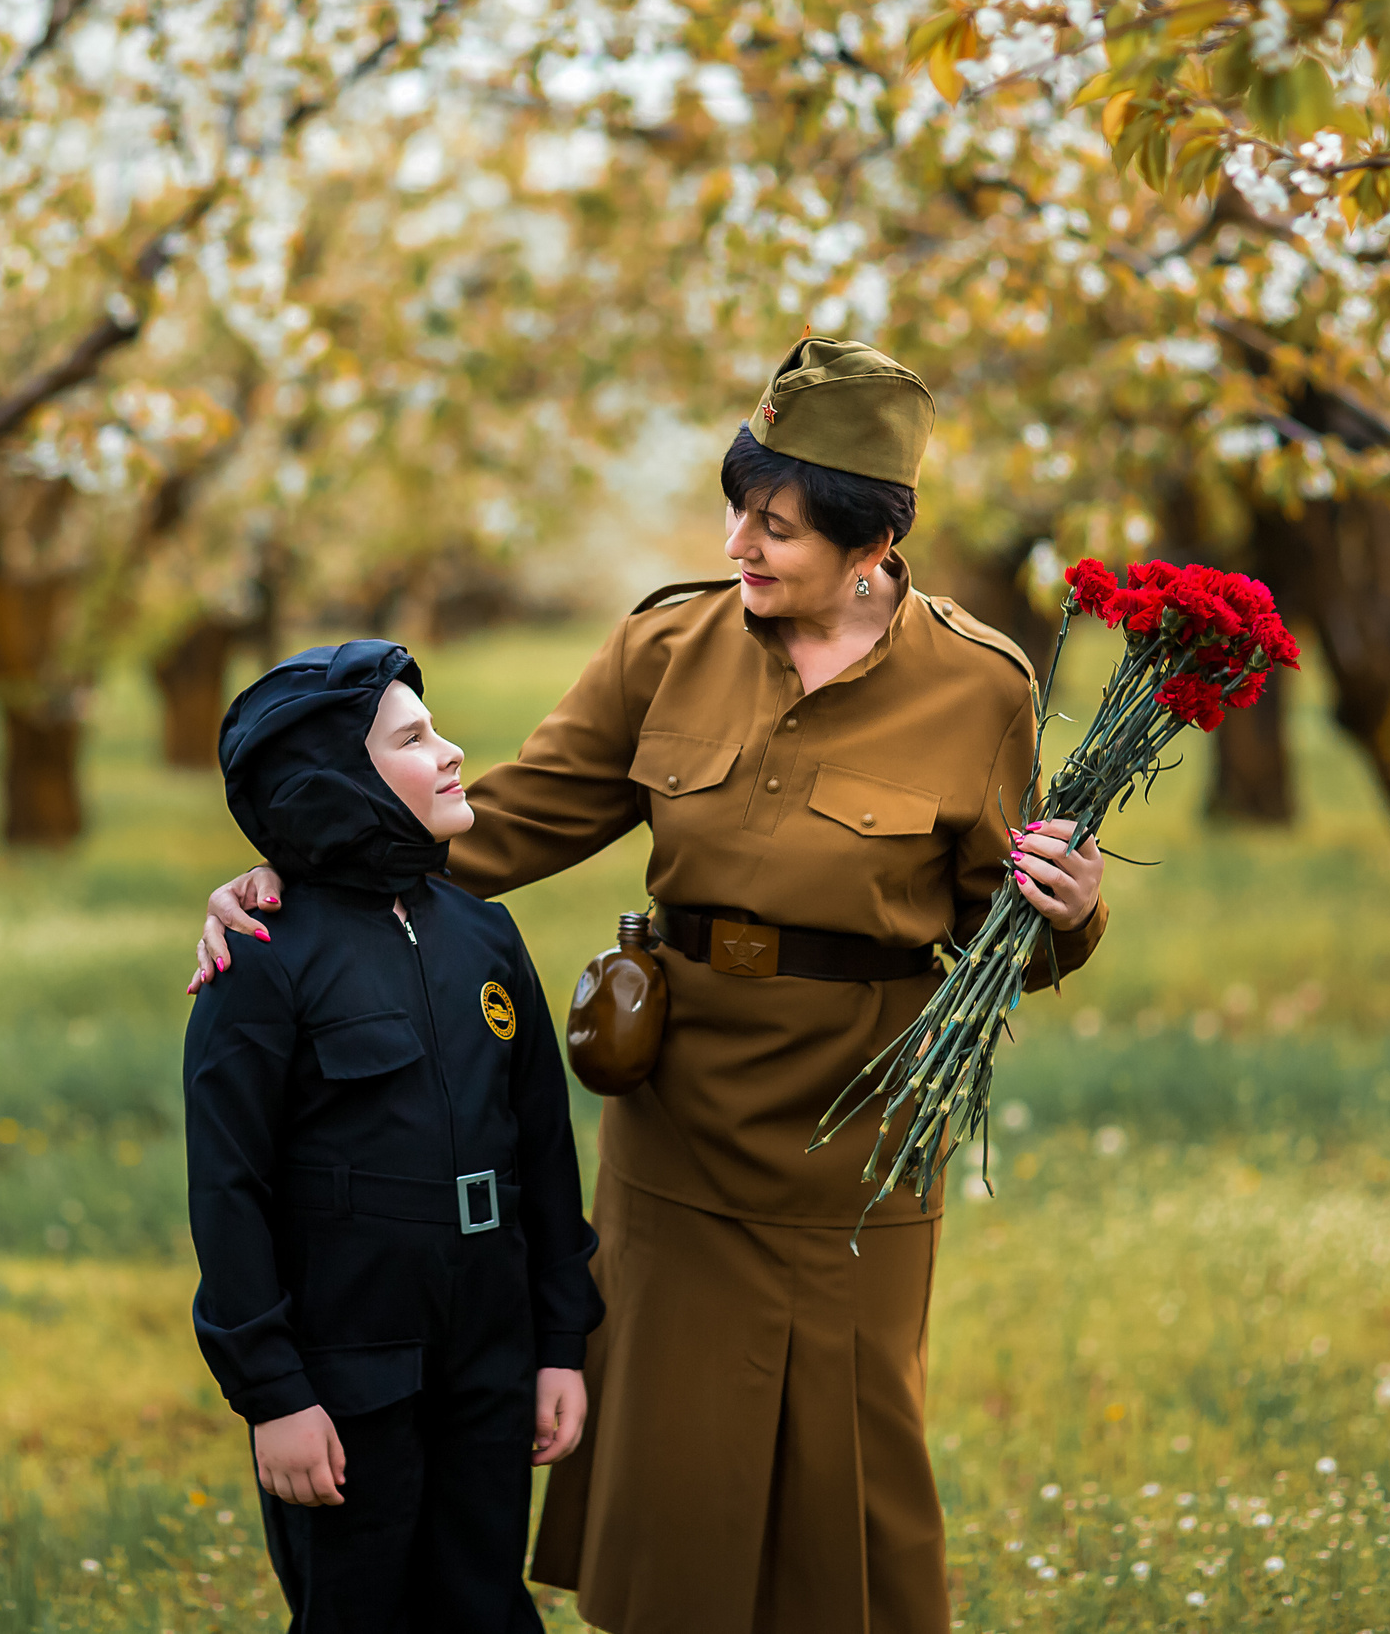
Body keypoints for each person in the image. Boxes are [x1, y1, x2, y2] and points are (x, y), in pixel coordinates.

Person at [192, 339, 1108, 1633]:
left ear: (871, 542)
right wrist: (288, 873)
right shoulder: (669, 643)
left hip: (861, 1128)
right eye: (737, 507)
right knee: (676, 1460)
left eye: (777, 525)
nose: (740, 541)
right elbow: (502, 820)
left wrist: (1071, 913)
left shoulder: (981, 683)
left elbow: (1008, 915)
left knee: (855, 1446)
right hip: (678, 1119)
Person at [183, 638, 604, 1633]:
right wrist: (274, 1394)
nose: (453, 750)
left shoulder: (484, 936)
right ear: (340, 782)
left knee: (483, 1604)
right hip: (347, 1386)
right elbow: (227, 1195)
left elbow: (543, 1156)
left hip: (491, 1368)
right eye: (414, 737)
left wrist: (557, 1345)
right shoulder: (263, 965)